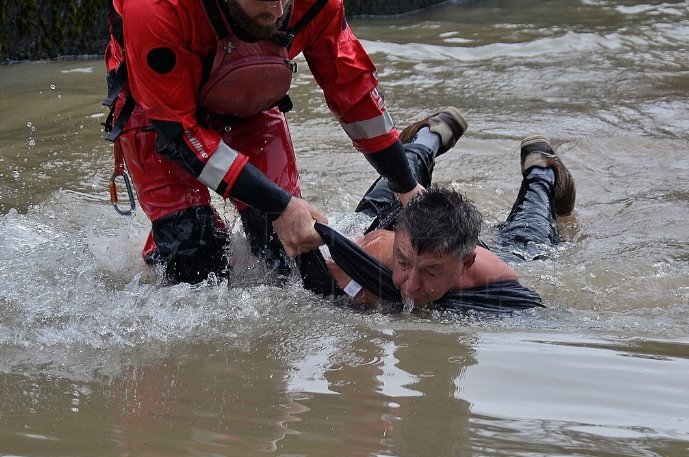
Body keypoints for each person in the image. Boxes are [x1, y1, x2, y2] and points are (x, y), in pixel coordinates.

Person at [102, 0, 457, 285]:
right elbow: (179, 132)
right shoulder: (154, 8)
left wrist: (405, 184)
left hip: (250, 99)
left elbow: (353, 92)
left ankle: (423, 143)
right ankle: (164, 245)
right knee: (192, 269)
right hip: (155, 113)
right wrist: (282, 205)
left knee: (288, 266)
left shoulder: (315, 3)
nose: (276, 10)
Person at [308, 107, 576, 314]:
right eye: (404, 264)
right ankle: (431, 135)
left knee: (529, 244)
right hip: (391, 226)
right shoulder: (369, 259)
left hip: (453, 243)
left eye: (430, 272)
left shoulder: (494, 279)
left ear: (465, 264)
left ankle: (542, 171)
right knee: (393, 187)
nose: (410, 286)